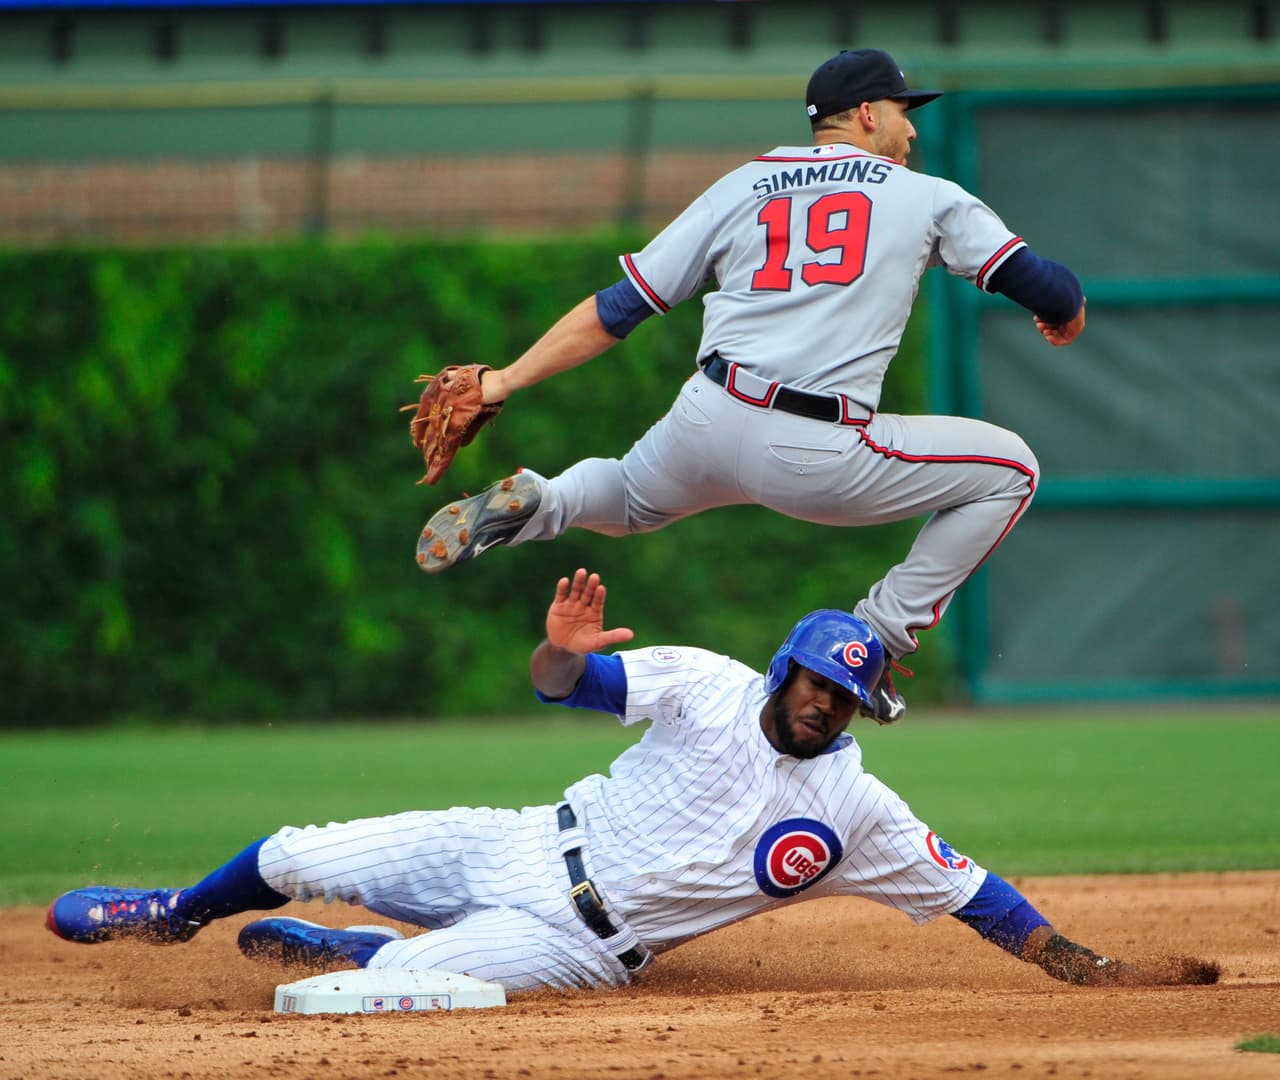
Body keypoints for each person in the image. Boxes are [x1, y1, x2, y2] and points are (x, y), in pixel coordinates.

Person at [47, 569, 1216, 993]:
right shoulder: (706, 685)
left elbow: (978, 898)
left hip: (583, 950)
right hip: (518, 839)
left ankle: (355, 951)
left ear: (861, 707)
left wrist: (1086, 969)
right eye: (814, 679)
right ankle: (173, 914)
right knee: (301, 848)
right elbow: (561, 685)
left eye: (844, 694)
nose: (824, 701)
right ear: (785, 668)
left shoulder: (857, 811)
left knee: (394, 985)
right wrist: (561, 645)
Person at [412, 48, 1088, 725]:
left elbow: (621, 307)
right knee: (1010, 471)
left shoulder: (744, 183)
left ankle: (544, 500)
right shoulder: (927, 196)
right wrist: (1065, 312)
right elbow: (1044, 286)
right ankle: (874, 642)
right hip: (817, 443)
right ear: (865, 114)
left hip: (709, 412)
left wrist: (503, 379)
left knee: (625, 499)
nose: (911, 131)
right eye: (903, 113)